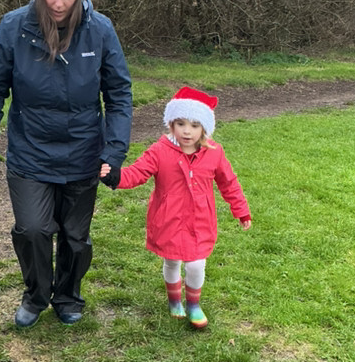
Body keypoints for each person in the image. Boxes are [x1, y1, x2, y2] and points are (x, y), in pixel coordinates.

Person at [0, 0, 132, 328]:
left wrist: (114, 151)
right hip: (30, 151)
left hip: (83, 152)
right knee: (33, 229)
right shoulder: (14, 27)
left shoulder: (100, 30)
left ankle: (68, 295)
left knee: (75, 237)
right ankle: (36, 295)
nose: (58, 3)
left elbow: (118, 93)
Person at [100, 87, 251, 329]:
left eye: (194, 125)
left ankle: (193, 304)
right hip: (168, 218)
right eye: (180, 123)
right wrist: (116, 177)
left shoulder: (214, 153)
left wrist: (241, 210)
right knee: (172, 261)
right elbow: (138, 172)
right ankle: (174, 300)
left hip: (200, 220)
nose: (187, 131)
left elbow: (229, 183)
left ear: (204, 128)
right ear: (171, 124)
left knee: (196, 263)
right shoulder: (159, 151)